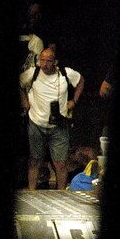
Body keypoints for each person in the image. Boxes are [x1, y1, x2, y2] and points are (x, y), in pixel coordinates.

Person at [19, 47, 85, 190]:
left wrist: (74, 101)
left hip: (58, 125)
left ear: (55, 62)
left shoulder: (65, 73)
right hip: (37, 123)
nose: (44, 64)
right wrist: (25, 101)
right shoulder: (34, 73)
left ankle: (61, 193)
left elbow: (81, 81)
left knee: (60, 163)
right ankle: (31, 192)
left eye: (48, 61)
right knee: (35, 160)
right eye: (42, 60)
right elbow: (20, 83)